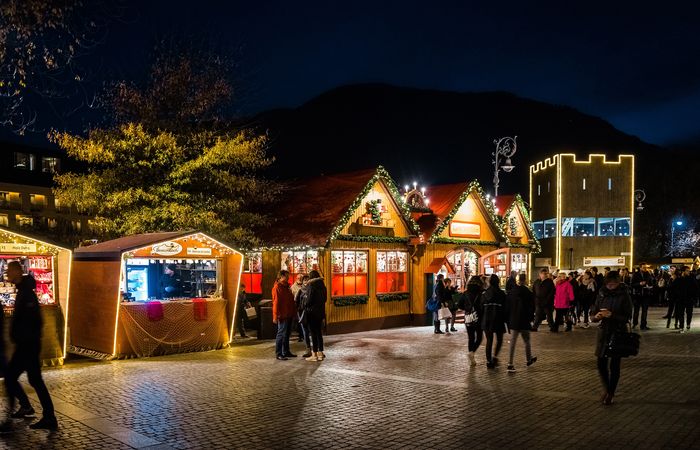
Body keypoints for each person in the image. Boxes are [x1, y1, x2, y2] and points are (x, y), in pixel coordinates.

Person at [1, 261, 57, 430]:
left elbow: (35, 320)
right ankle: (48, 416)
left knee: (12, 378)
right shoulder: (23, 291)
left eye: (10, 270)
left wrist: (24, 337)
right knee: (33, 380)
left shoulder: (27, 294)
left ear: (18, 272)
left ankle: (14, 418)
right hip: (26, 345)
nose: (7, 273)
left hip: (27, 346)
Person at [591, 270, 633, 406]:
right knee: (600, 363)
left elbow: (627, 316)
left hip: (618, 332)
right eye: (608, 284)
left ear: (618, 283)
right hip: (603, 332)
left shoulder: (624, 295)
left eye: (613, 284)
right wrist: (595, 316)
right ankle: (607, 389)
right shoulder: (602, 293)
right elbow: (594, 310)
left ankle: (610, 393)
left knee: (615, 365)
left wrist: (612, 315)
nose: (610, 286)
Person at [507, 274, 537, 373]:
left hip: (514, 320)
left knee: (513, 342)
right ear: (524, 280)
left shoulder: (511, 292)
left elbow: (508, 307)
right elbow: (532, 307)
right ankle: (528, 359)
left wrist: (508, 320)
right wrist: (531, 318)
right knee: (527, 341)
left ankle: (510, 363)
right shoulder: (528, 292)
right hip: (524, 320)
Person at [481, 274, 507, 369]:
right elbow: (505, 308)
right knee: (499, 340)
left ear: (489, 282)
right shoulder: (502, 294)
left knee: (489, 341)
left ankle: (488, 361)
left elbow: (481, 307)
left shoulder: (485, 294)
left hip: (487, 319)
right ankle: (495, 357)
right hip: (498, 319)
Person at [458, 276, 484, 367]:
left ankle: (471, 355)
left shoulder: (465, 293)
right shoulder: (481, 293)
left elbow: (460, 305)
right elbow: (483, 305)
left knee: (471, 338)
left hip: (468, 317)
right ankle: (472, 352)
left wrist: (467, 308)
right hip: (478, 317)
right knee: (480, 337)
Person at [303, 270, 327, 361]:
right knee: (319, 333)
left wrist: (304, 303)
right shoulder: (323, 286)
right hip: (320, 313)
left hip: (312, 313)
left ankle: (314, 354)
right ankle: (320, 353)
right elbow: (325, 299)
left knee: (313, 333)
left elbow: (308, 301)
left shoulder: (311, 286)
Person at [272, 270, 296, 360]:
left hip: (288, 313)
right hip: (282, 314)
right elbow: (276, 303)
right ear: (281, 276)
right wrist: (275, 316)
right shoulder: (277, 287)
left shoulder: (287, 287)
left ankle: (286, 351)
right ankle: (279, 353)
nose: (288, 277)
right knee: (281, 333)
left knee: (287, 334)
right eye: (286, 276)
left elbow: (290, 301)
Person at [294, 275, 312, 357]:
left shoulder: (311, 290)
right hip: (302, 314)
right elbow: (296, 301)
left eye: (307, 280)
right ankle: (308, 349)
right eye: (304, 280)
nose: (306, 281)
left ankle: (315, 349)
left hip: (311, 313)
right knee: (305, 332)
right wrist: (299, 310)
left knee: (312, 331)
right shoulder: (300, 291)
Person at [678, 266, 698, 333]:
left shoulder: (692, 279)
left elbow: (696, 289)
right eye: (687, 270)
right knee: (681, 313)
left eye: (689, 270)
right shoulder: (679, 279)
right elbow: (675, 289)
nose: (688, 272)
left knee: (689, 313)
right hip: (681, 299)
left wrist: (695, 298)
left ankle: (688, 324)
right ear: (683, 271)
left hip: (689, 299)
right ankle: (681, 327)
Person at [290, 275, 306, 342]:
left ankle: (304, 335)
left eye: (301, 278)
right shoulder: (293, 287)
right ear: (296, 279)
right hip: (297, 306)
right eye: (298, 278)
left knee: (304, 321)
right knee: (298, 321)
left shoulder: (304, 286)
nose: (299, 279)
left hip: (304, 306)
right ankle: (300, 336)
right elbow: (291, 296)